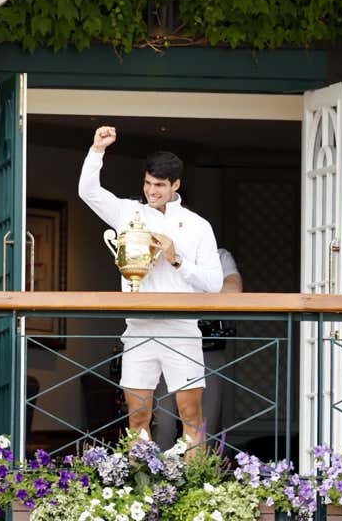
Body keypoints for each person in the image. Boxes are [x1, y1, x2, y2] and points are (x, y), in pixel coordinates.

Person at [78, 125, 223, 449]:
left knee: (191, 417)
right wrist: (97, 150)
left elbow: (214, 284)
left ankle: (197, 492)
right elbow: (88, 192)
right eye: (147, 183)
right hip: (138, 327)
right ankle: (137, 491)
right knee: (137, 419)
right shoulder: (129, 212)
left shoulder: (198, 226)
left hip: (182, 329)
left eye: (159, 185)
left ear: (176, 185)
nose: (152, 191)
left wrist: (176, 259)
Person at [153, 248, 241, 449]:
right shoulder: (165, 255)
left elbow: (233, 288)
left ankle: (199, 477)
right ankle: (157, 475)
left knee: (205, 424)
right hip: (168, 346)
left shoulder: (219, 256)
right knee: (164, 422)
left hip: (207, 350)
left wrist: (194, 293)